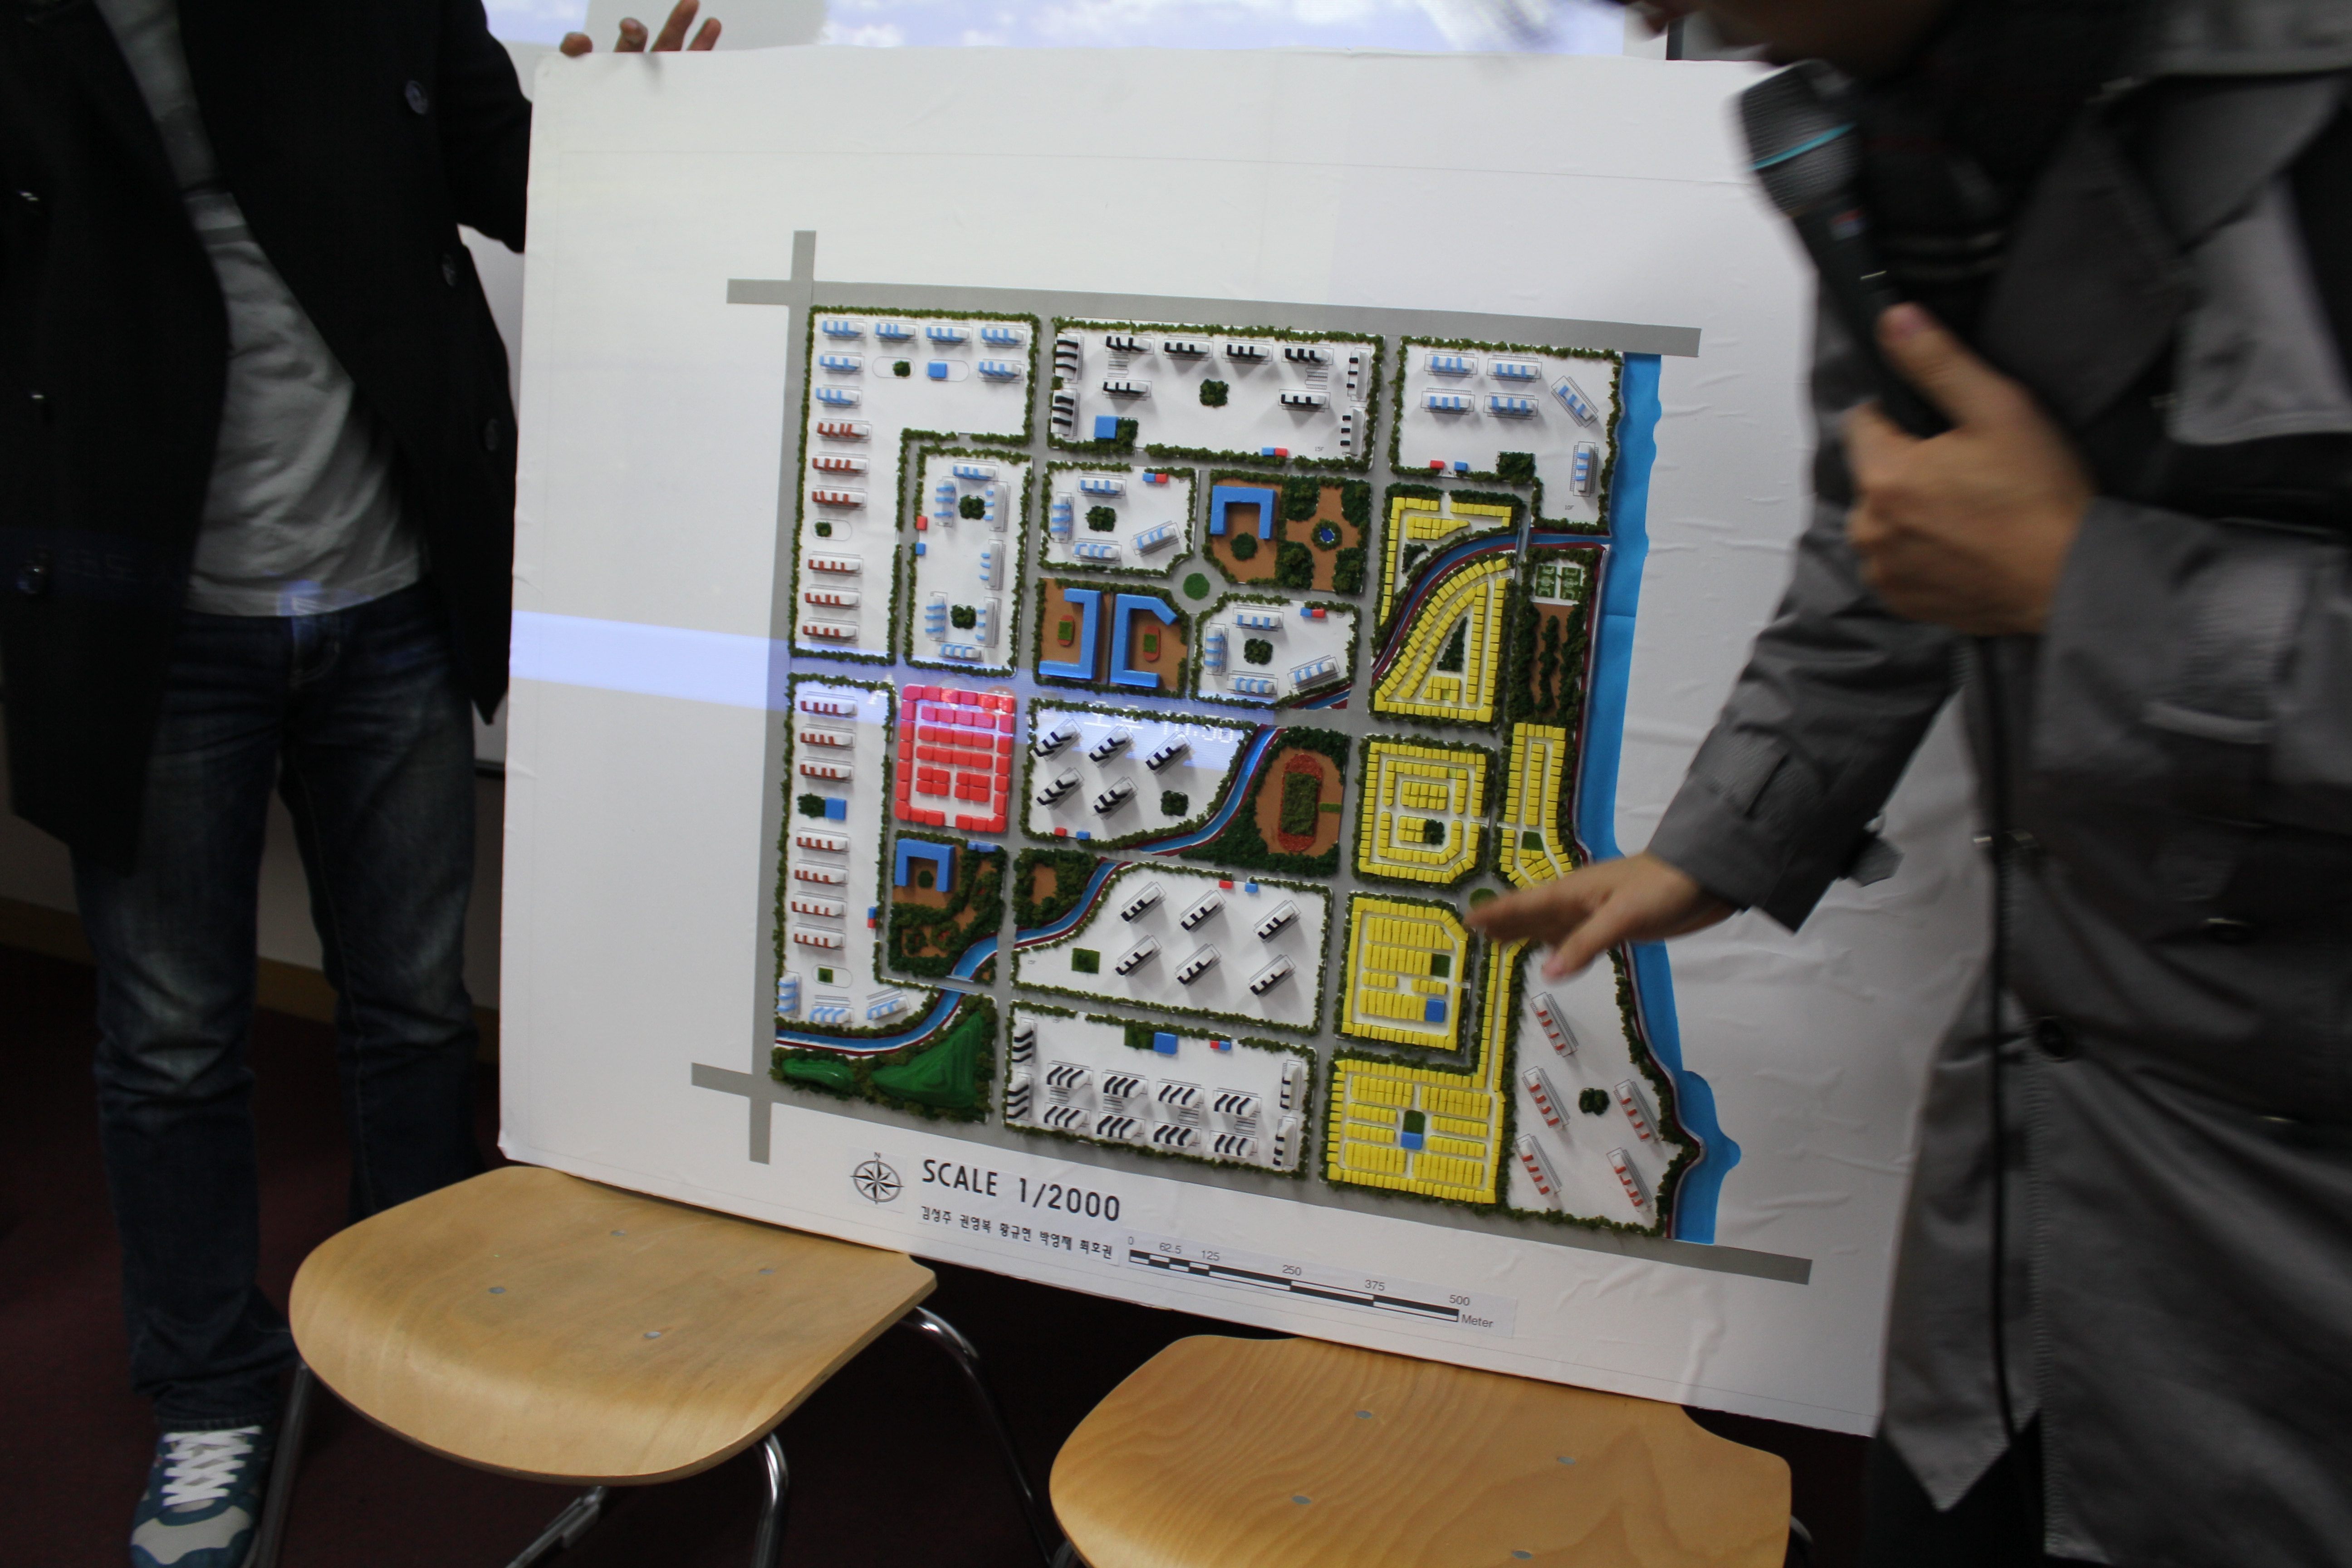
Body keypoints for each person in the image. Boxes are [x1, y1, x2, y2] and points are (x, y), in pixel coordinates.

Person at [1475, 1, 2352, 1563]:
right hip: (2034, 1200)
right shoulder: (1894, 126)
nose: (1645, 13)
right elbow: (1902, 517)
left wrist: (2091, 588)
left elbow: (2003, 542)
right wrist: (1733, 830)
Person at [0, 3, 714, 1563]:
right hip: (141, 610)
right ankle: (210, 1386)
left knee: (413, 1005)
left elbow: (517, 173)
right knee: (172, 1043)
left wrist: (644, 121)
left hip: (389, 583)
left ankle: (424, 1308)